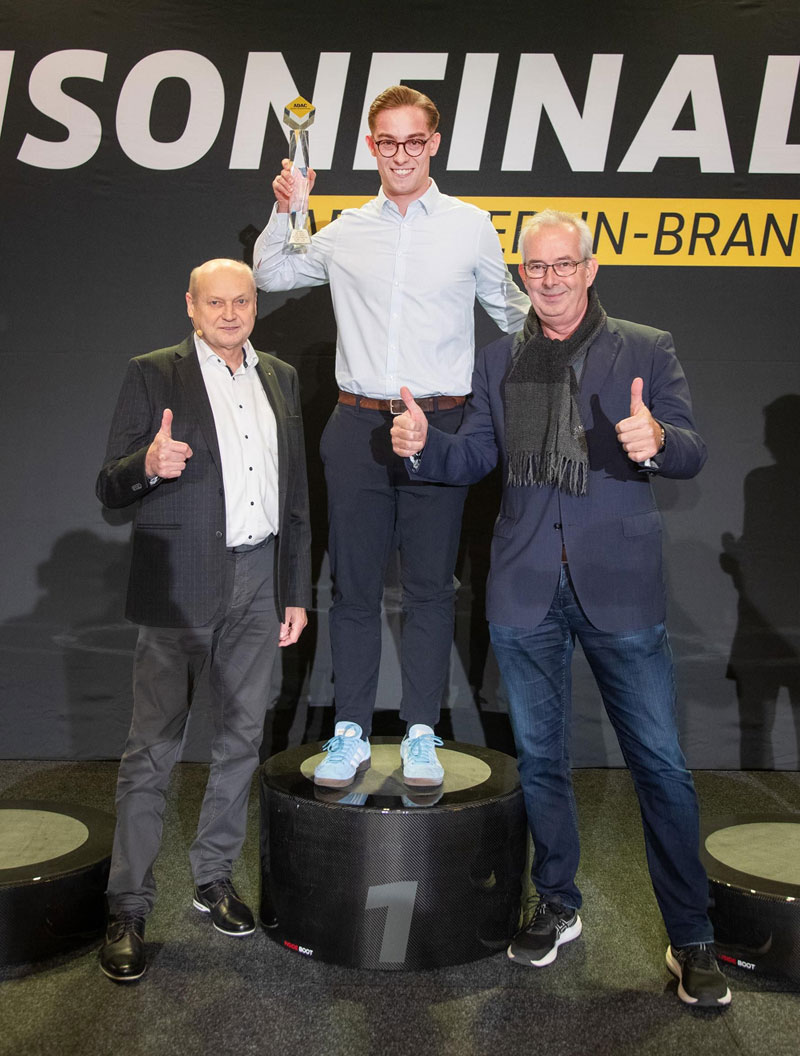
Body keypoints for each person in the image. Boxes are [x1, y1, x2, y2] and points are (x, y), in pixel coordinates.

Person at [390, 210, 731, 1008]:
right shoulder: (499, 357)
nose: (548, 280)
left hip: (621, 585)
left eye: (562, 265)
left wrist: (658, 440)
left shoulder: (645, 347)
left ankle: (691, 937)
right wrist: (423, 443)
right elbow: (478, 453)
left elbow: (690, 447)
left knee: (661, 767)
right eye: (535, 268)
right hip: (524, 585)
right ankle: (557, 903)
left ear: (589, 267)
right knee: (542, 760)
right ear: (524, 275)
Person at [253, 84, 529, 790]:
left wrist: (572, 330)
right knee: (352, 588)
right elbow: (271, 272)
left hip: (441, 425)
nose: (400, 154)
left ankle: (421, 733)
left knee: (433, 589)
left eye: (413, 141)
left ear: (433, 143)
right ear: (371, 146)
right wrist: (288, 209)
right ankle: (348, 730)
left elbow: (509, 310)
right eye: (387, 142)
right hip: (358, 428)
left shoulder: (470, 226)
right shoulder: (345, 229)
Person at [96, 258, 311, 982]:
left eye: (240, 301)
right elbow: (109, 485)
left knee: (242, 738)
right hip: (179, 588)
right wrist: (148, 464)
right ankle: (128, 905)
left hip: (260, 578)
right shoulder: (152, 373)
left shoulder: (280, 376)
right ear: (190, 306)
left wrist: (294, 588)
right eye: (214, 302)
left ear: (255, 306)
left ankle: (212, 877)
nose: (228, 313)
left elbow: (295, 494)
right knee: (152, 749)